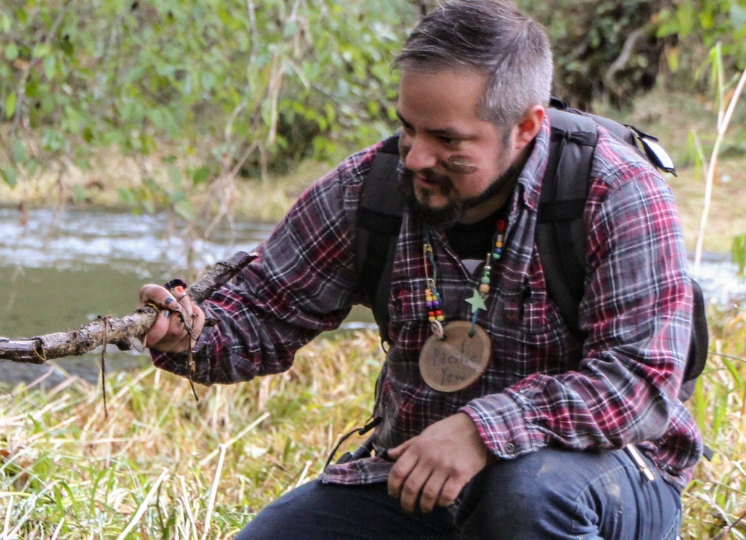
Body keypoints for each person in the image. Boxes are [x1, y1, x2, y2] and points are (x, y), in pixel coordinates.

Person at [137, 1, 698, 538]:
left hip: (603, 484)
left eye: (447, 140)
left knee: (524, 495)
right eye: (409, 128)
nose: (415, 158)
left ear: (527, 126)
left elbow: (639, 383)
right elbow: (264, 312)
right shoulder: (371, 189)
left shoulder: (615, 191)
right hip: (415, 482)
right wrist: (190, 333)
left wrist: (483, 431)